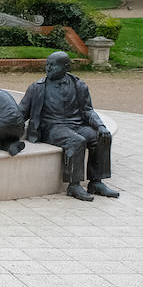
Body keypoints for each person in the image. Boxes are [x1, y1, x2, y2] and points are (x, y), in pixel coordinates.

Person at [19, 51, 119, 201]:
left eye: (53, 65)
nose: (48, 68)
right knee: (76, 141)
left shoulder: (79, 85)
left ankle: (96, 182)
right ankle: (74, 185)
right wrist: (3, 124)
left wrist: (100, 126)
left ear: (66, 66)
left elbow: (87, 110)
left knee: (101, 136)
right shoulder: (37, 87)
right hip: (52, 127)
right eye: (47, 64)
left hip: (76, 125)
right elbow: (21, 112)